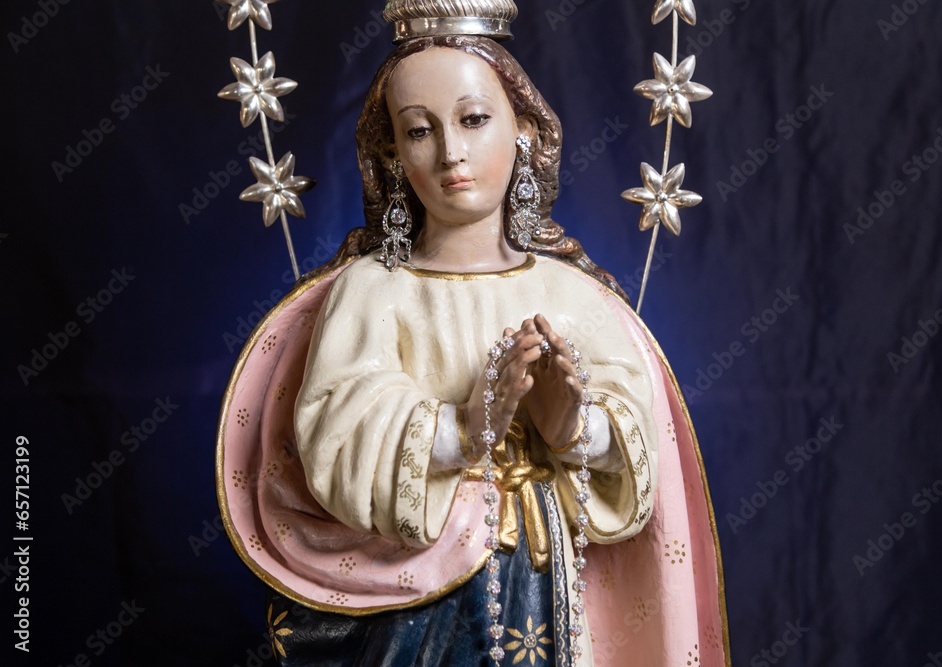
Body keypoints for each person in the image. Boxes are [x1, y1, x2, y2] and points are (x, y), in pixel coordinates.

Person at [216, 6, 730, 667]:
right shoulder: (373, 291)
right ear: (393, 155)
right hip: (415, 597)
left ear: (522, 129)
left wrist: (572, 425)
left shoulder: (575, 297)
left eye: (473, 119)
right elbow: (336, 430)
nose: (450, 152)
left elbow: (641, 446)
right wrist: (464, 427)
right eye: (419, 130)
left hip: (550, 588)